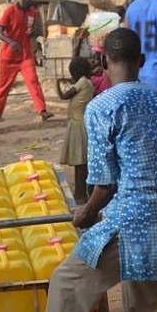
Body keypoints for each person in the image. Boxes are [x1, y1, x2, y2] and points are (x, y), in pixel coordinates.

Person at [17, 28, 157, 312]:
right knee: (140, 299)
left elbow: (105, 184)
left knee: (66, 282)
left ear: (101, 62)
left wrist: (86, 212)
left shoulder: (102, 106)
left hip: (135, 217)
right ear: (141, 61)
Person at [0, 0, 53, 122]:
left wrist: (31, 34)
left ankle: (42, 111)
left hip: (25, 55)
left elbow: (32, 32)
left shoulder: (33, 13)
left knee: (33, 82)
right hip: (9, 56)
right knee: (3, 85)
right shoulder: (10, 11)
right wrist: (11, 42)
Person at [56, 57, 94, 203]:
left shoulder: (83, 82)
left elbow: (64, 96)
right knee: (82, 162)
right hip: (79, 124)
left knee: (80, 163)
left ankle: (80, 194)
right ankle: (82, 192)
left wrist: (57, 82)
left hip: (79, 126)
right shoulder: (85, 82)